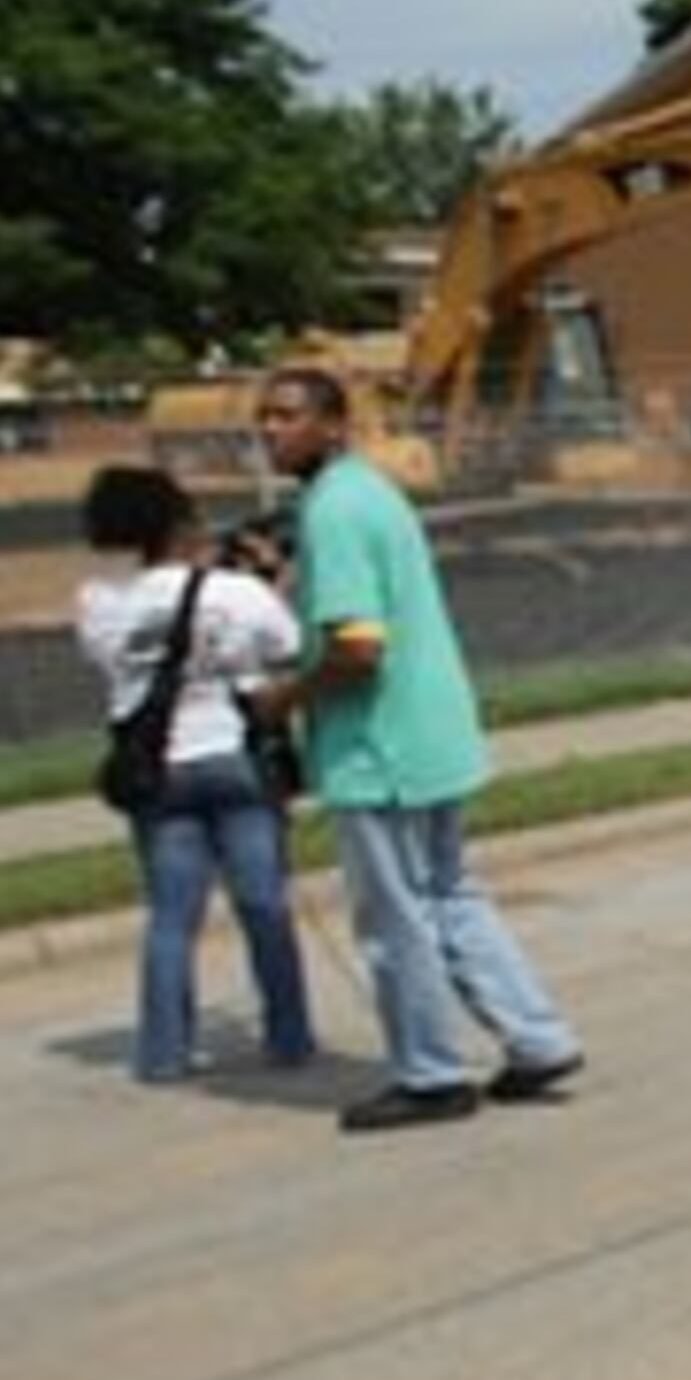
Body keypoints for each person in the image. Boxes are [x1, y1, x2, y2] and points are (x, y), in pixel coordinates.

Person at [248, 366, 585, 1132]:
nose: (271, 429)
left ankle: (431, 1074)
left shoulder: (331, 510)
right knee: (451, 896)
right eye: (264, 417)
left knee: (396, 917)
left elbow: (358, 647)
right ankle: (538, 1040)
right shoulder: (369, 492)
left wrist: (283, 698)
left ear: (335, 426)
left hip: (381, 748)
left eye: (288, 416)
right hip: (434, 732)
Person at [73, 464, 314, 1084]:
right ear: (183, 524)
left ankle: (163, 1051)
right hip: (233, 757)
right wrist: (270, 581)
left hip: (156, 770)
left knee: (171, 916)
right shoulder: (235, 593)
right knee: (263, 904)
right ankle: (288, 1035)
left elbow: (116, 666)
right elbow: (285, 648)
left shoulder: (98, 604)